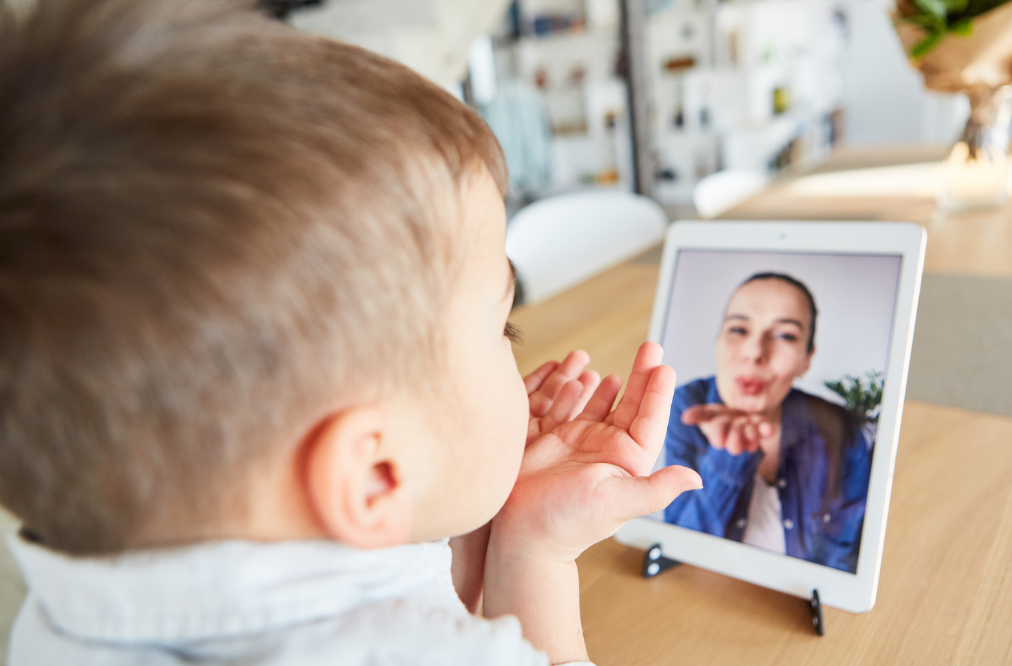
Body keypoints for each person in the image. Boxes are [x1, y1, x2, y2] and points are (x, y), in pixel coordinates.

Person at [0, 1, 703, 664]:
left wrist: (477, 538)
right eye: (503, 327)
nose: (522, 357)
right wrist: (536, 557)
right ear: (373, 476)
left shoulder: (60, 610)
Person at [663, 273, 872, 573]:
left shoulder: (842, 430)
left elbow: (840, 554)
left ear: (806, 360)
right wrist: (728, 461)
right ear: (717, 342)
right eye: (738, 329)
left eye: (785, 335)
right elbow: (679, 544)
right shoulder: (686, 406)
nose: (754, 353)